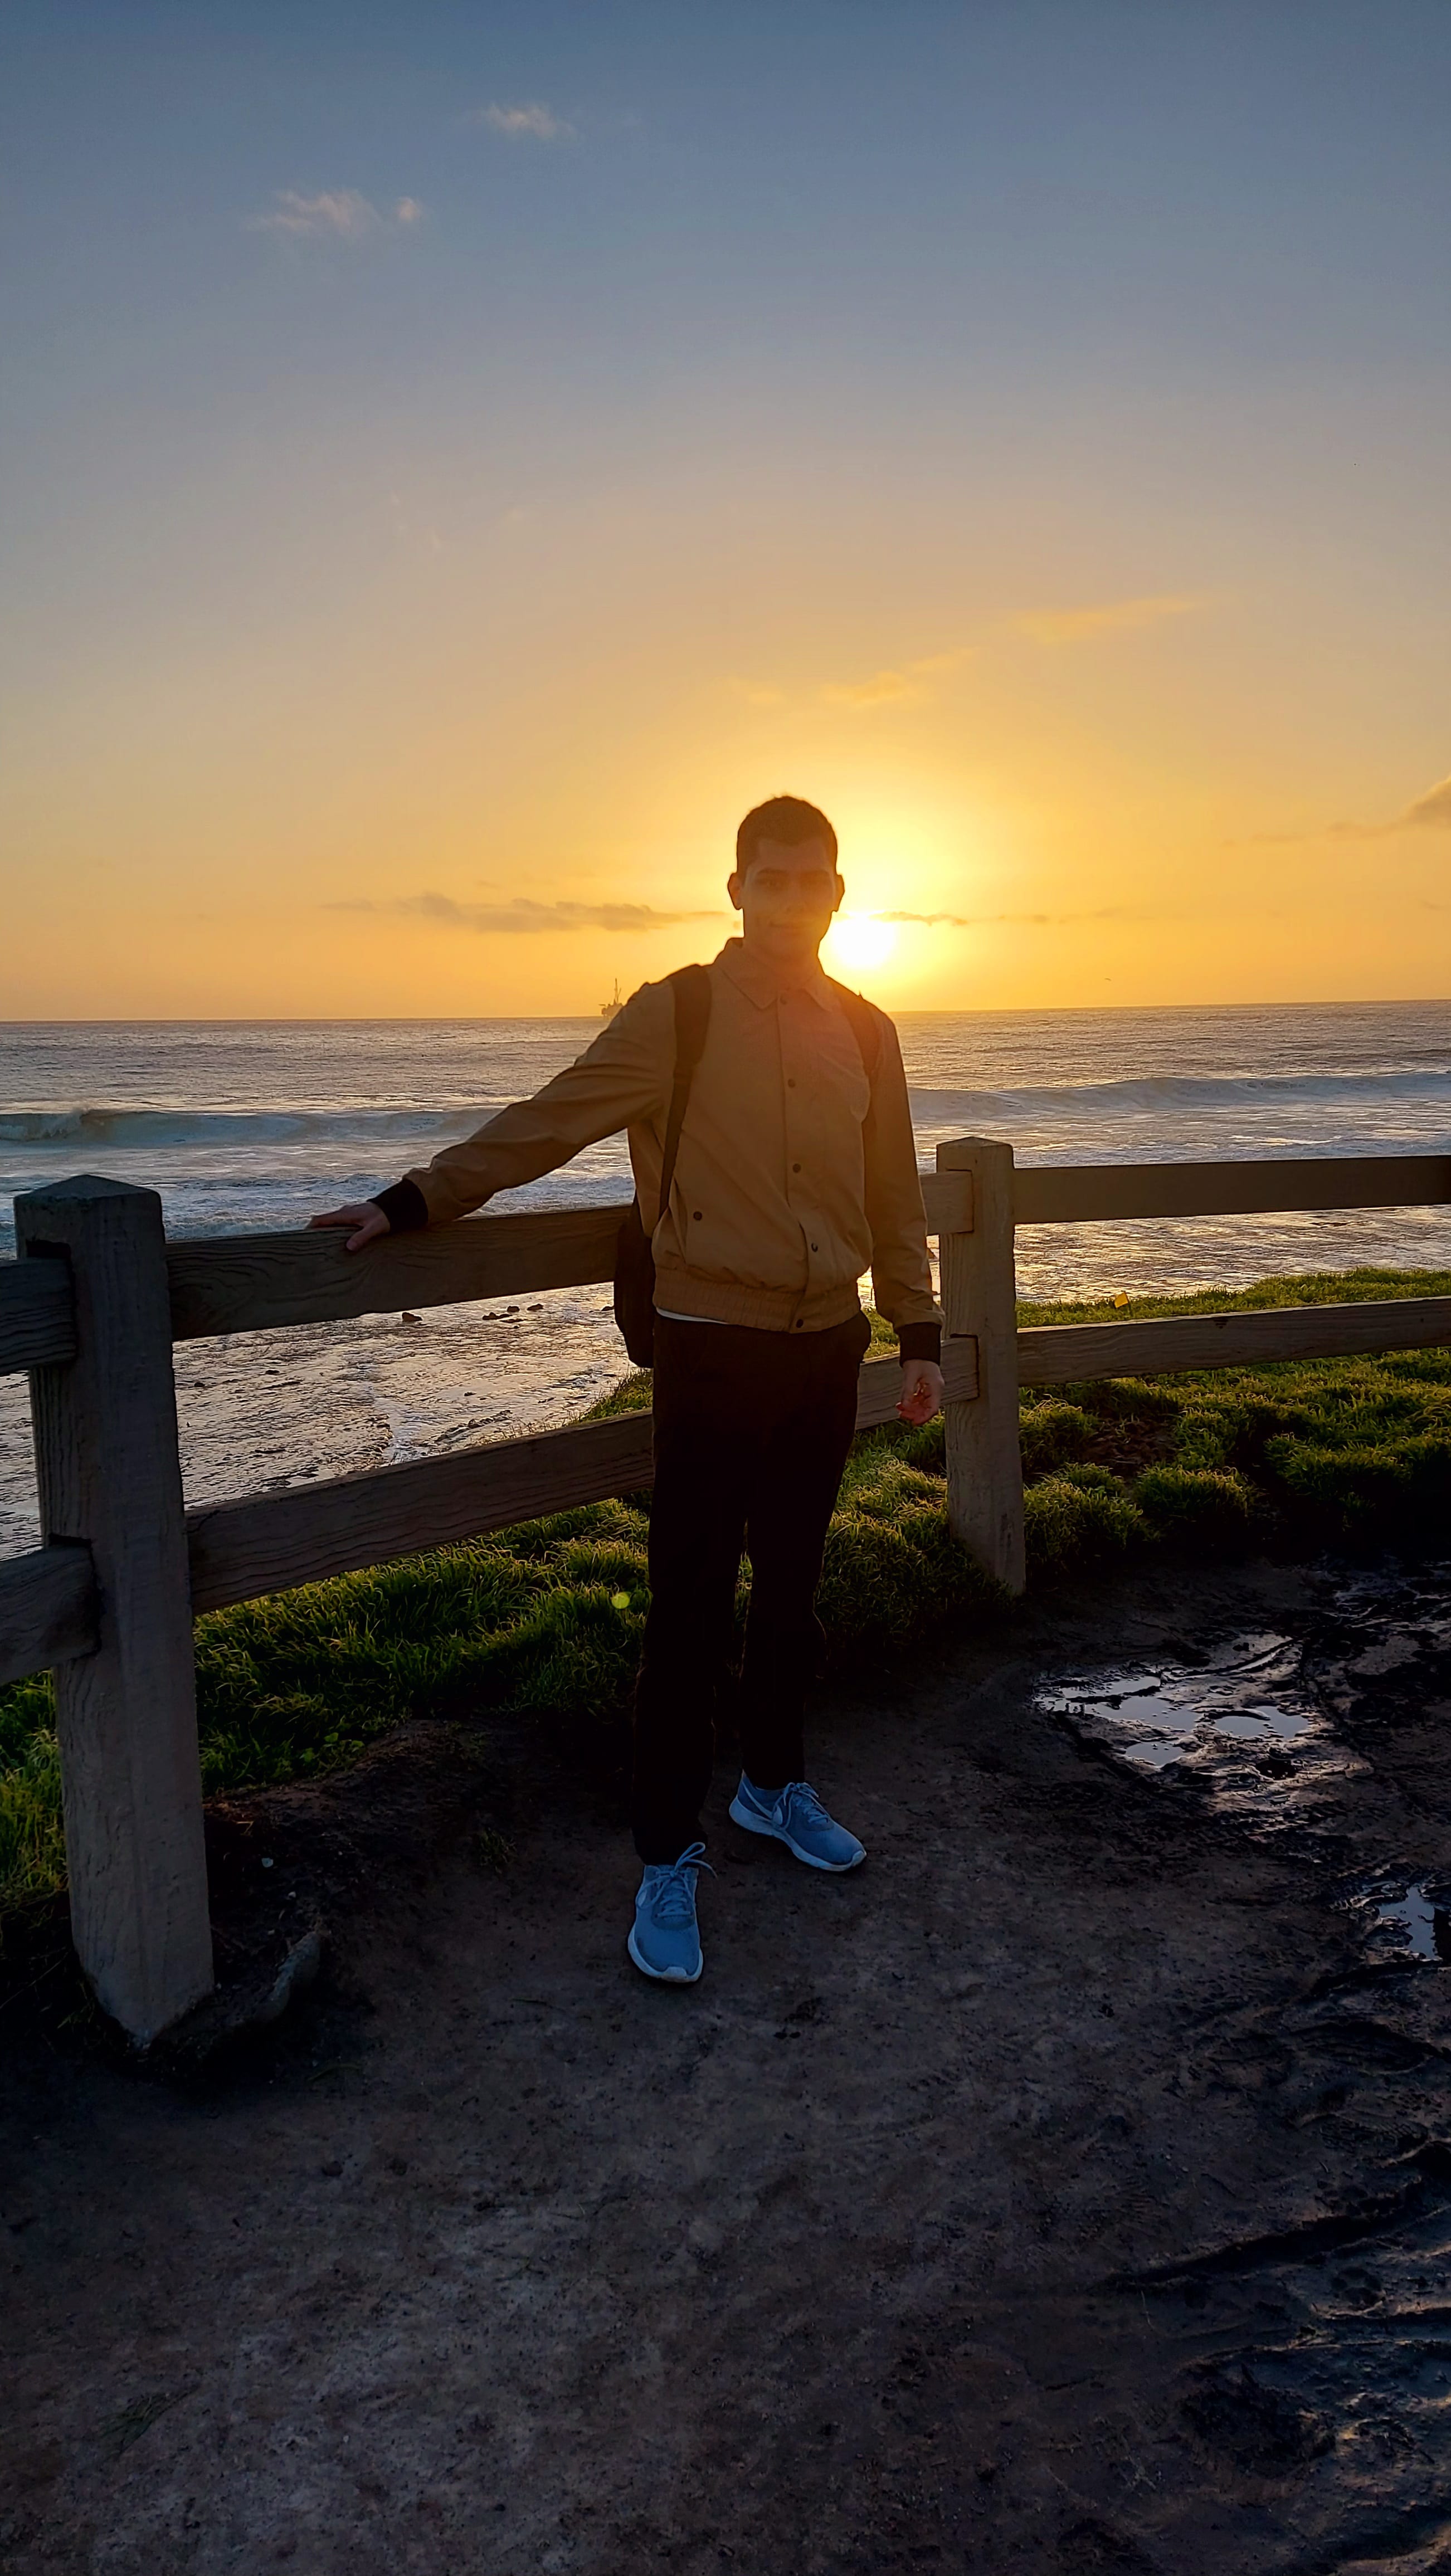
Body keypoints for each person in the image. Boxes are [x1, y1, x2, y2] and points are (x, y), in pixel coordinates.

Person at [311, 795, 944, 1986]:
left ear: (839, 893)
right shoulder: (679, 1012)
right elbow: (547, 1123)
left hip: (824, 1348)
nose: (792, 897)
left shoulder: (867, 1028)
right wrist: (410, 1199)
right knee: (690, 1603)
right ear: (736, 887)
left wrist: (919, 1330)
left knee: (794, 1591)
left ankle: (771, 1785)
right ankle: (665, 1852)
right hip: (711, 1346)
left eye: (813, 879)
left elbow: (893, 1192)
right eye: (772, 877)